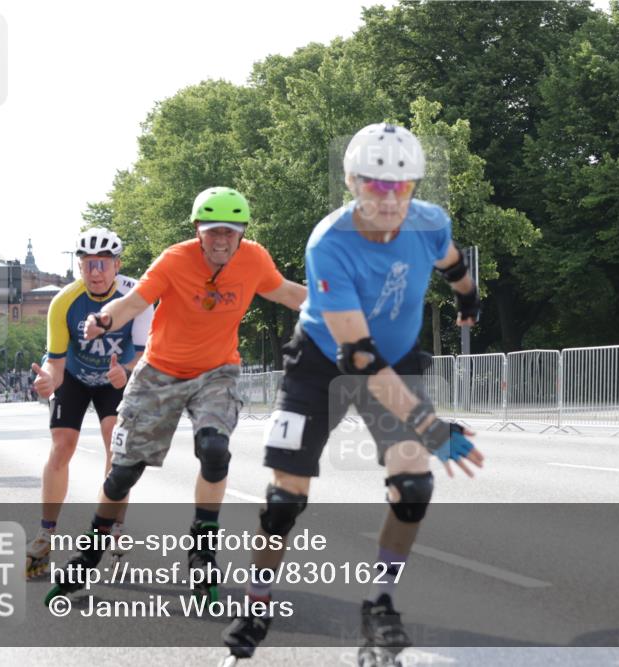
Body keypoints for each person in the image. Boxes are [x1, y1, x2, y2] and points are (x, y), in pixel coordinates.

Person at [221, 123, 485, 664]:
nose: (388, 199)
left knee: (413, 488)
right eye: (373, 185)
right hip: (324, 361)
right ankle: (257, 600)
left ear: (415, 187)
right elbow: (360, 362)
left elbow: (452, 262)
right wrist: (433, 428)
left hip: (399, 357)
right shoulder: (329, 242)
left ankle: (380, 604)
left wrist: (470, 300)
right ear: (351, 181)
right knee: (284, 500)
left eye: (402, 186)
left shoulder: (430, 221)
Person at [46, 186, 306, 602]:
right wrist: (102, 318)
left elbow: (289, 294)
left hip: (217, 371)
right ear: (198, 231)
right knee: (124, 473)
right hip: (159, 372)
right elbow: (132, 304)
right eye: (213, 232)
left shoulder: (254, 259)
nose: (222, 241)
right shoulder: (174, 259)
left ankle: (202, 551)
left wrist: (342, 311)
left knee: (215, 450)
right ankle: (91, 552)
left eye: (230, 232)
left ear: (241, 233)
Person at [26, 228, 154, 578]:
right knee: (62, 446)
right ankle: (46, 532)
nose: (95, 272)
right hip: (76, 377)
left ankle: (114, 526)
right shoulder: (64, 302)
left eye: (103, 264)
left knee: (117, 446)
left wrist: (125, 372)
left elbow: (144, 355)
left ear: (117, 266)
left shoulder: (138, 298)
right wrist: (49, 379)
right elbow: (56, 359)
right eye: (87, 265)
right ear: (79, 267)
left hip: (117, 377)